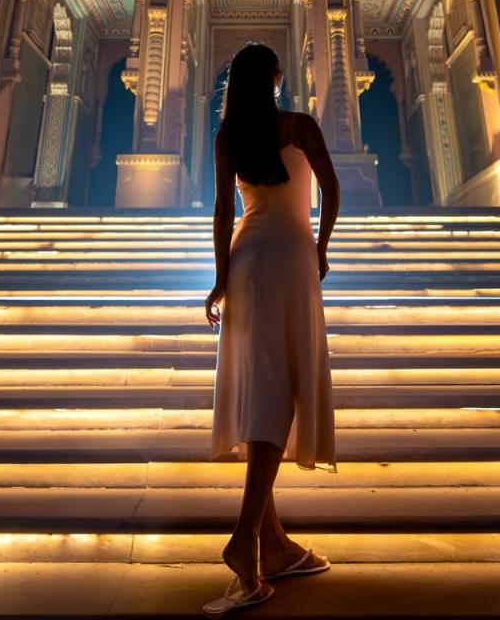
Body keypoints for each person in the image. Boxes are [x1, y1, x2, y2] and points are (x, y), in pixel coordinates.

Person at [203, 42, 340, 615]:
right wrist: (321, 247)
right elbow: (332, 188)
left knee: (262, 392)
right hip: (291, 257)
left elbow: (223, 212)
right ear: (274, 80)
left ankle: (276, 546)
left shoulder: (228, 136)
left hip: (247, 260)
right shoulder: (298, 125)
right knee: (280, 396)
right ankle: (244, 539)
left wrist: (219, 279)